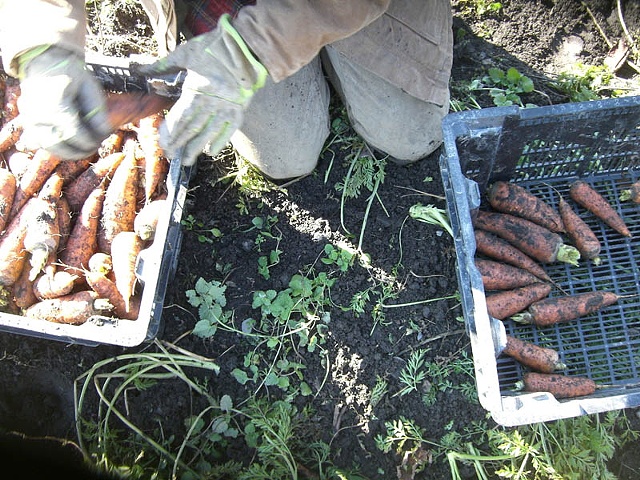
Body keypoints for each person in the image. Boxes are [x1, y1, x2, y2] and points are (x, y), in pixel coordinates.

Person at [0, 0, 453, 180]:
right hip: (223, 10)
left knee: (408, 137)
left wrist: (246, 54)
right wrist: (45, 51)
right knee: (286, 158)